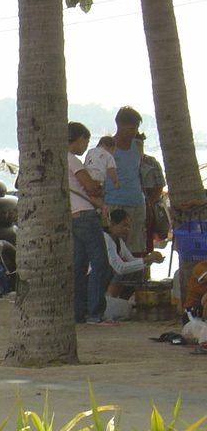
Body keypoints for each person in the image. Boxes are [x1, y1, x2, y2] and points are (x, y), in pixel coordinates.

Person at [69, 121, 112, 325]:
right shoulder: (74, 162)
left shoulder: (58, 161)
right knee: (100, 264)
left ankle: (78, 312)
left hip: (73, 216)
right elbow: (91, 187)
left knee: (78, 267)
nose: (85, 146)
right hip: (86, 214)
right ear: (79, 139)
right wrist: (98, 188)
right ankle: (95, 312)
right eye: (85, 141)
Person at [102, 106, 147, 258]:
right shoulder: (107, 147)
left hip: (137, 203)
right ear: (120, 125)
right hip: (114, 203)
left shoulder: (138, 145)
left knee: (136, 246)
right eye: (131, 127)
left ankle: (135, 279)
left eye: (136, 128)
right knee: (114, 248)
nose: (134, 132)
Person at [103, 208, 161, 299]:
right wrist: (146, 259)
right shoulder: (106, 239)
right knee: (122, 272)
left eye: (128, 227)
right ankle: (109, 298)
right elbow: (120, 267)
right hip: (99, 277)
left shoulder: (119, 241)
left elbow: (132, 261)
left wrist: (151, 259)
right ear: (113, 225)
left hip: (108, 275)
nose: (127, 230)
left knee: (137, 270)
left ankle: (125, 300)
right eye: (124, 226)